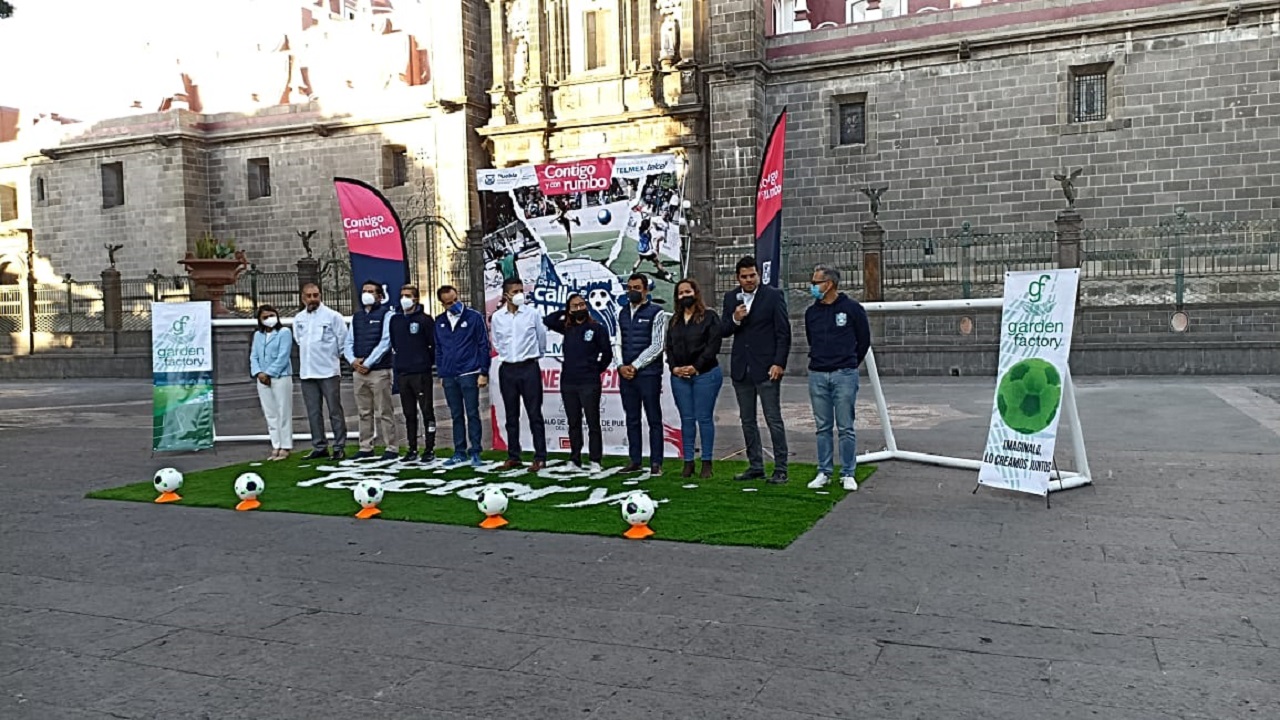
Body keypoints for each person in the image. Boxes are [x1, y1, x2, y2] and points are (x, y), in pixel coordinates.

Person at [720, 256, 791, 484]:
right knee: (747, 420)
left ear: (758, 274)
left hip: (767, 368)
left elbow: (783, 333)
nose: (749, 280)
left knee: (773, 418)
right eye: (744, 277)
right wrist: (735, 318)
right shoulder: (731, 298)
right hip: (742, 367)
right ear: (738, 278)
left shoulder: (773, 296)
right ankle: (756, 465)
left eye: (752, 275)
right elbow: (723, 329)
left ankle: (781, 468)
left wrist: (779, 363)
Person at [805, 265, 872, 492]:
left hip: (844, 374)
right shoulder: (811, 312)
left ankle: (848, 472)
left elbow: (863, 340)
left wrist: (849, 362)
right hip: (817, 373)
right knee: (822, 426)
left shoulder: (852, 309)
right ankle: (824, 471)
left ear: (829, 284)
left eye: (816, 283)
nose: (812, 287)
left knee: (845, 427)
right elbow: (811, 339)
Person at [543, 293, 613, 471]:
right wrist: (565, 311)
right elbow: (548, 320)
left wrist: (596, 369)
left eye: (582, 304)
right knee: (573, 422)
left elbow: (607, 354)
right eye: (575, 306)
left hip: (589, 382)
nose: (579, 308)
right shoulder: (567, 327)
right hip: (568, 382)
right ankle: (575, 459)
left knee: (593, 422)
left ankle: (595, 460)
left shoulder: (596, 328)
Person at [665, 278, 723, 478]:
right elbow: (669, 347)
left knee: (704, 418)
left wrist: (696, 367)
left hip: (705, 374)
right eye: (680, 293)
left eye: (687, 292)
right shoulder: (674, 321)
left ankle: (707, 462)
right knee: (686, 419)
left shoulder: (710, 317)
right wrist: (674, 368)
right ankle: (688, 461)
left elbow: (713, 345)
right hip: (680, 377)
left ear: (695, 293)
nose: (684, 296)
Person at [490, 277, 548, 471]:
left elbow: (541, 339)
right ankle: (513, 455)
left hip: (529, 368)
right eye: (515, 292)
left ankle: (540, 457)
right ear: (506, 295)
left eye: (521, 291)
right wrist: (508, 356)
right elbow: (497, 342)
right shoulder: (498, 317)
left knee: (534, 414)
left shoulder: (532, 314)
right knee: (511, 415)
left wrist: (534, 356)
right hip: (507, 369)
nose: (519, 295)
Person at [617, 273, 670, 475]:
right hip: (626, 375)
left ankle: (656, 462)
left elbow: (657, 345)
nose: (633, 291)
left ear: (646, 290)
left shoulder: (657, 312)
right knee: (632, 418)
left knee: (653, 418)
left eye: (637, 288)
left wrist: (635, 365)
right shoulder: (621, 313)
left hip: (649, 374)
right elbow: (617, 342)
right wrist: (621, 366)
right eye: (630, 288)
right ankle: (635, 460)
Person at [434, 285, 490, 468]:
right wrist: (442, 372)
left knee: (472, 413)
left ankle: (476, 451)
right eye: (449, 303)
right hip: (449, 374)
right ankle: (459, 451)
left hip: (469, 372)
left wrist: (483, 372)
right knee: (456, 414)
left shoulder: (474, 317)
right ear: (443, 304)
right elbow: (439, 348)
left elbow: (483, 344)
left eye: (455, 300)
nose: (454, 305)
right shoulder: (440, 321)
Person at [343, 280, 398, 461]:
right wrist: (353, 361)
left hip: (379, 371)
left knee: (384, 411)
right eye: (364, 291)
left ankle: (391, 447)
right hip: (359, 372)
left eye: (371, 291)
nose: (366, 294)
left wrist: (368, 363)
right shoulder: (357, 317)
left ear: (379, 296)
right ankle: (365, 447)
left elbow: (385, 342)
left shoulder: (387, 315)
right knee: (363, 411)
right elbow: (349, 342)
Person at [294, 282, 348, 460]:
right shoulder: (299, 319)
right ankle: (319, 446)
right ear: (303, 298)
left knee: (334, 410)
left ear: (320, 296)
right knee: (313, 412)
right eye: (309, 296)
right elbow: (299, 341)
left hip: (328, 371)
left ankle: (339, 446)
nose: (312, 299)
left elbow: (343, 342)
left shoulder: (333, 316)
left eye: (315, 295)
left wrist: (333, 358)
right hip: (307, 372)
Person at [390, 284, 436, 463]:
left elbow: (432, 344)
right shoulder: (395, 320)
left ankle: (429, 448)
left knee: (427, 411)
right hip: (403, 373)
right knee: (409, 413)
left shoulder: (425, 320)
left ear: (416, 298)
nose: (404, 299)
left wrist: (424, 362)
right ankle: (412, 448)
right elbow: (395, 343)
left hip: (421, 373)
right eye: (402, 295)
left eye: (408, 295)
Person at [248, 304, 293, 461]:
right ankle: (276, 444)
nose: (269, 319)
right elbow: (254, 356)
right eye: (265, 317)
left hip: (280, 377)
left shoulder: (284, 332)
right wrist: (259, 373)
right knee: (270, 413)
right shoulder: (258, 335)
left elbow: (283, 356)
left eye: (271, 315)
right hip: (262, 379)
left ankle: (286, 445)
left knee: (283, 411)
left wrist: (269, 373)